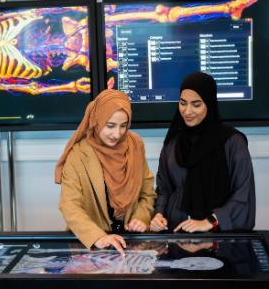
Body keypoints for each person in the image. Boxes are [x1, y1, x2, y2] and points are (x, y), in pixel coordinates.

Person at [150, 72, 255, 233]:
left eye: (196, 104)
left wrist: (209, 222)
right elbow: (164, 189)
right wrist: (158, 215)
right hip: (175, 234)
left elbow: (242, 195)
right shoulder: (173, 142)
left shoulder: (232, 142)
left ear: (209, 103)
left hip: (218, 239)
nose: (187, 111)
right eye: (183, 103)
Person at [55, 89, 156, 255]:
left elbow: (147, 194)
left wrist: (140, 218)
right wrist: (97, 237)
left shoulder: (136, 145)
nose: (117, 134)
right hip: (93, 248)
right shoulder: (78, 154)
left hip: (131, 245)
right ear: (97, 120)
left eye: (123, 126)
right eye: (110, 126)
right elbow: (69, 205)